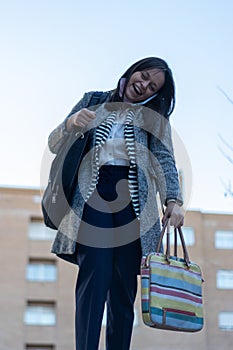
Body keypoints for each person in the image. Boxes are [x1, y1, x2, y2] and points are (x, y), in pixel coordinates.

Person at [47, 57, 184, 350]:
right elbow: (54, 142)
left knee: (123, 287)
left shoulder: (155, 119)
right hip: (93, 194)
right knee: (94, 274)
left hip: (134, 203)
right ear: (132, 70)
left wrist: (173, 199)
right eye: (143, 75)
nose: (143, 84)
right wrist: (71, 123)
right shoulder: (93, 100)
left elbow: (165, 161)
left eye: (152, 85)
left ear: (155, 93)